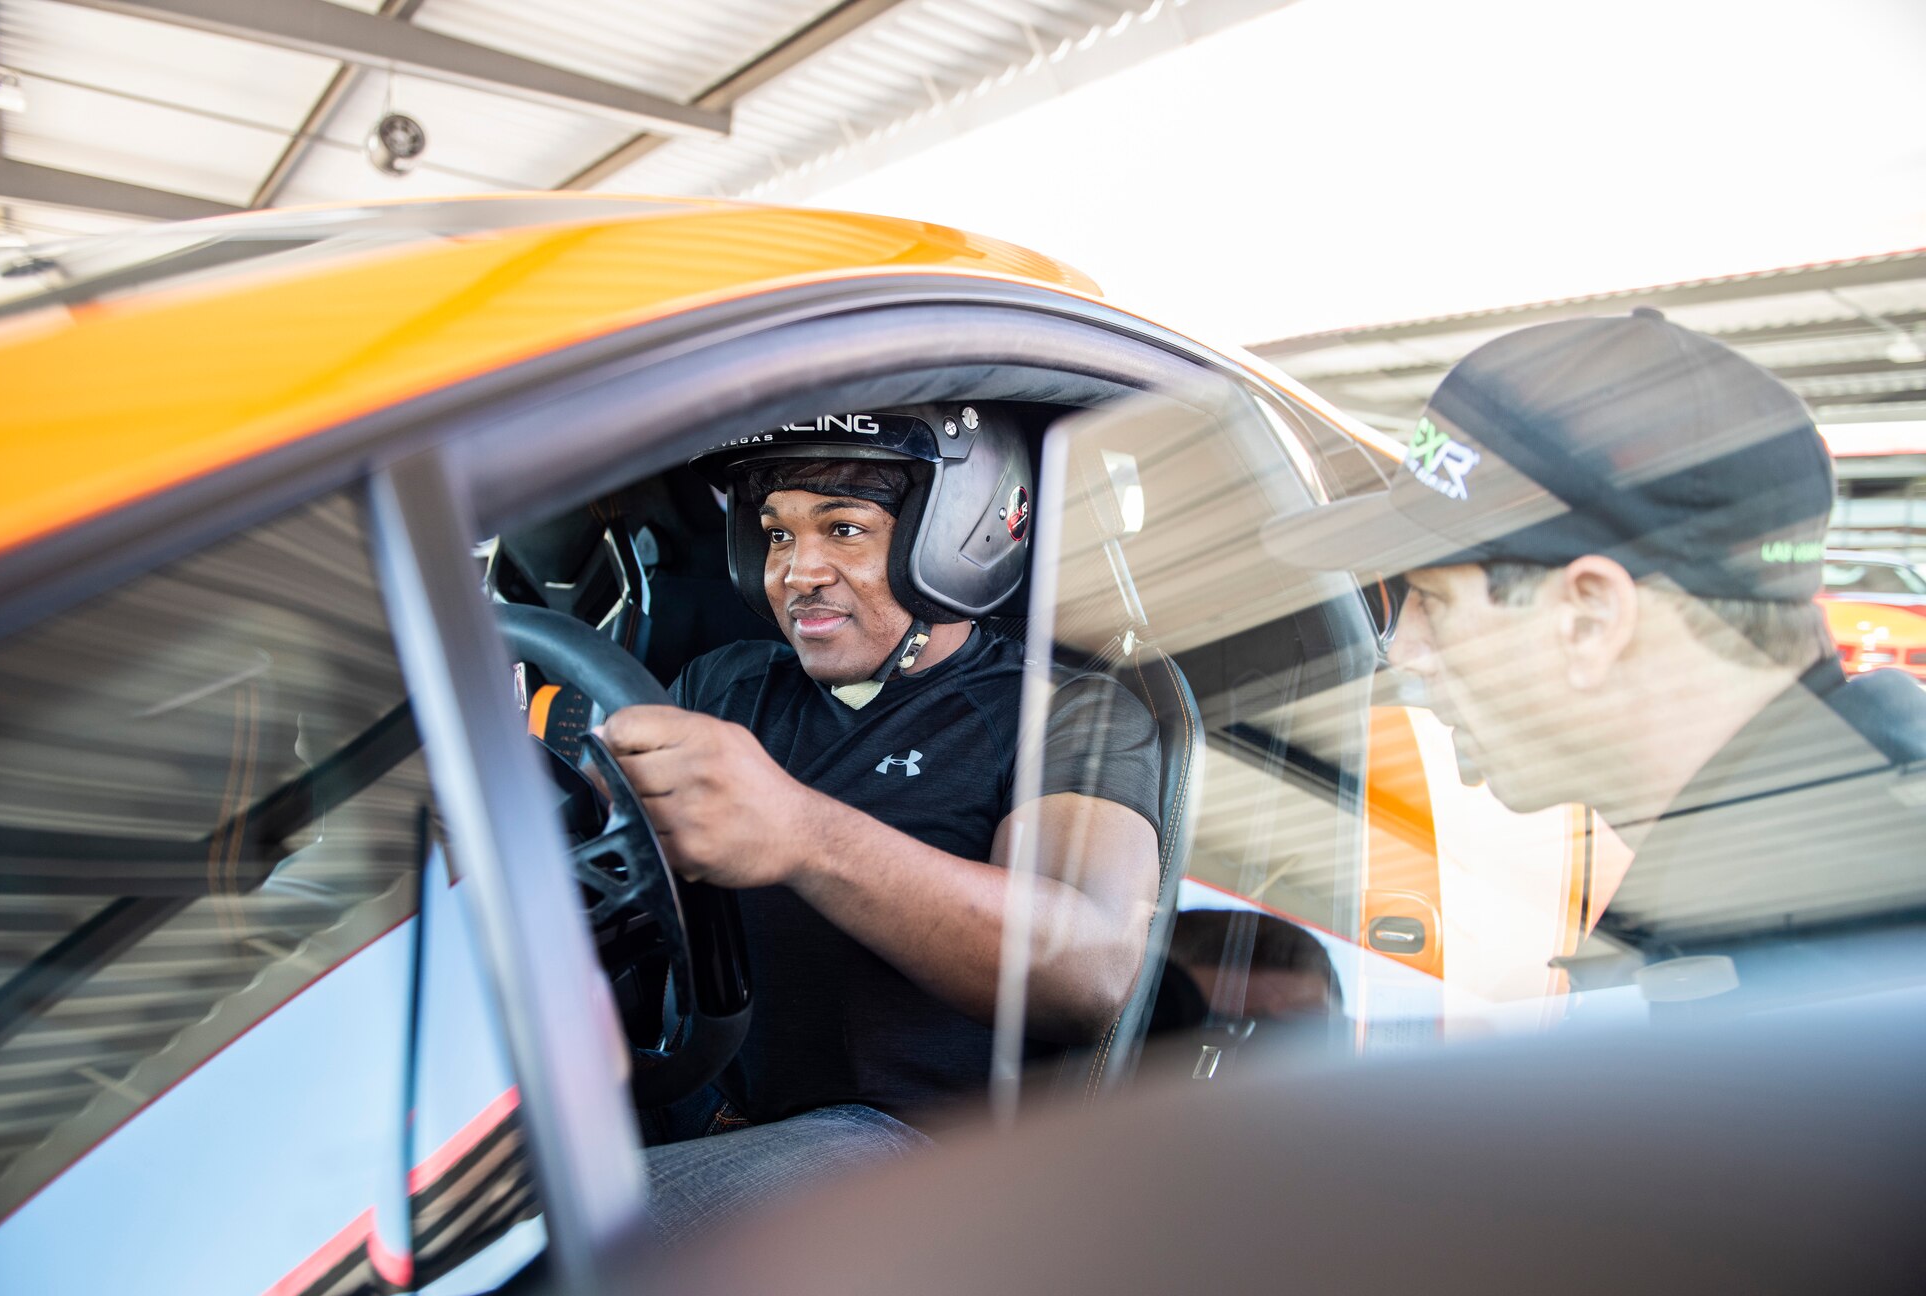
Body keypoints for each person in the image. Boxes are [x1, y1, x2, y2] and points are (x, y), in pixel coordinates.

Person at [600, 405, 1163, 1244]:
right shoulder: (723, 686)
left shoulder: (1063, 713)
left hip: (908, 1156)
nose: (800, 570)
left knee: (552, 1257)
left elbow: (1084, 966)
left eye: (844, 529)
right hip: (700, 1101)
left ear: (955, 542)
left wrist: (802, 833)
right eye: (779, 534)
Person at [1262, 309, 1926, 1005]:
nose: (1406, 650)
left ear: (1591, 618)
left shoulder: (1815, 976)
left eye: (1432, 598)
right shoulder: (1817, 877)